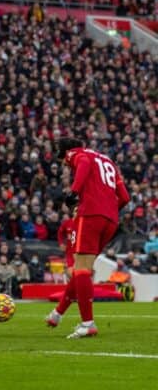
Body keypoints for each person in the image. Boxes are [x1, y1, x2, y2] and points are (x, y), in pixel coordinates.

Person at [46, 138, 130, 339]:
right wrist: (109, 211)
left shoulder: (78, 154)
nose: (65, 164)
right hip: (110, 220)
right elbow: (125, 198)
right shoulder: (108, 161)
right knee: (81, 269)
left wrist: (74, 193)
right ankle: (58, 313)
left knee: (81, 268)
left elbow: (82, 162)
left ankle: (87, 323)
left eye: (63, 160)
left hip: (90, 214)